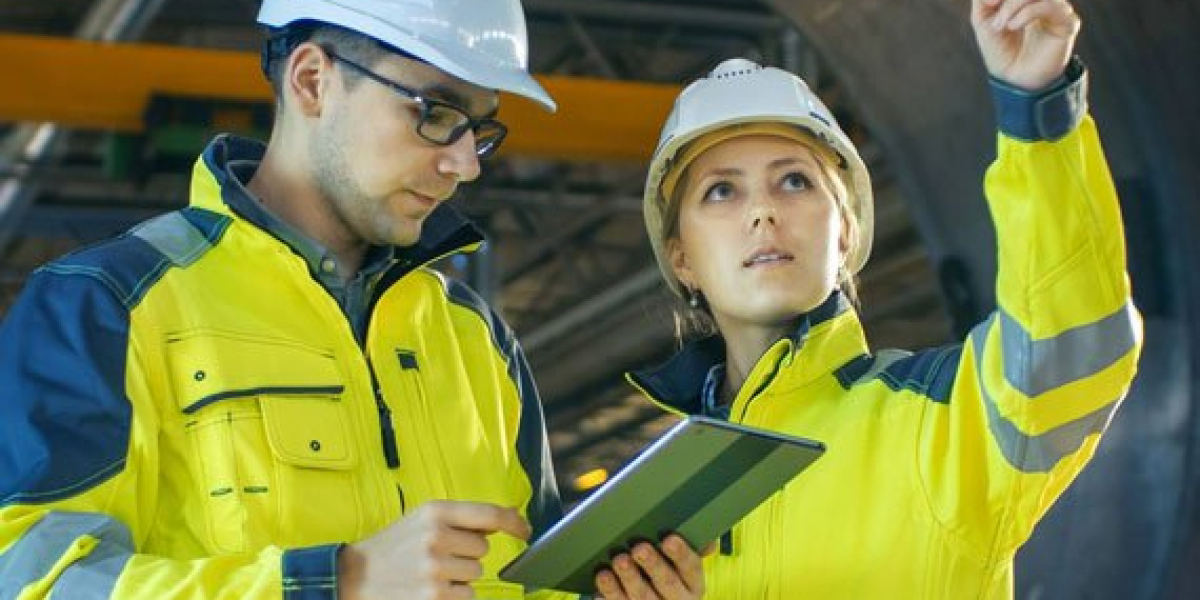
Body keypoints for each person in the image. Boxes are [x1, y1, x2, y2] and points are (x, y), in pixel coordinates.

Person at [0, 0, 704, 598]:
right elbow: (30, 579)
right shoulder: (107, 306)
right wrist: (339, 581)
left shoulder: (476, 339)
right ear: (313, 80)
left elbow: (535, 581)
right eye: (436, 113)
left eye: (480, 129)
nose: (464, 164)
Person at [629, 0, 1141, 597]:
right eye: (721, 191)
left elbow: (1073, 343)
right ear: (682, 259)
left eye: (794, 180)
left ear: (845, 233)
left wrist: (1037, 105)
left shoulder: (942, 423)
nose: (763, 211)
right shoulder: (644, 513)